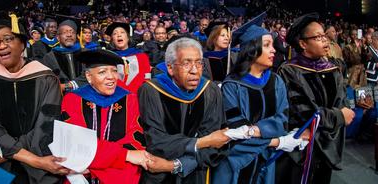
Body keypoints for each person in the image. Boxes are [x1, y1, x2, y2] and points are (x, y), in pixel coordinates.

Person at [0, 12, 67, 184]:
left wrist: (7, 152)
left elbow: (46, 125)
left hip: (37, 164)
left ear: (22, 44)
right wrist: (20, 154)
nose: (1, 46)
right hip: (3, 166)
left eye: (8, 39)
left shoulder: (46, 77)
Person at [212, 25, 309, 184]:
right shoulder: (232, 86)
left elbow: (282, 122)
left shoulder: (276, 82)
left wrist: (251, 131)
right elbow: (235, 134)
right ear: (251, 49)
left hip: (266, 165)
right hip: (235, 167)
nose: (274, 50)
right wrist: (278, 142)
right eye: (266, 45)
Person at [276, 13, 355, 184]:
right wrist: (338, 117)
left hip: (328, 144)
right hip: (301, 149)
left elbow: (344, 105)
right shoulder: (290, 70)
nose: (325, 40)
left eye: (324, 35)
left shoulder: (333, 68)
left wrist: (336, 119)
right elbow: (302, 114)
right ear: (303, 44)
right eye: (318, 37)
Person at [138, 37, 229, 184]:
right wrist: (201, 142)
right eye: (186, 63)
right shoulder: (151, 91)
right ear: (170, 67)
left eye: (199, 63)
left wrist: (176, 165)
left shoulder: (210, 90)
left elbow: (217, 143)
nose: (195, 71)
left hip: (197, 171)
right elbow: (155, 142)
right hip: (158, 175)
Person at [61, 50, 149, 183]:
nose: (111, 77)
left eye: (114, 71)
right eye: (102, 72)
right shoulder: (73, 100)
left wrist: (93, 165)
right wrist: (125, 155)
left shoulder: (130, 99)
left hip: (119, 174)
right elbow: (78, 144)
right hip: (84, 176)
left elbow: (135, 138)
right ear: (89, 76)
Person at [41, 19, 85, 92]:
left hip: (84, 97)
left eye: (72, 32)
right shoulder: (49, 57)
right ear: (58, 37)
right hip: (61, 98)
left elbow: (90, 75)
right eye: (65, 32)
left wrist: (68, 85)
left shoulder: (86, 53)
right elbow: (47, 81)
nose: (69, 35)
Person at [105, 22, 151, 93]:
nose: (119, 35)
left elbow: (146, 78)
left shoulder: (141, 56)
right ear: (112, 40)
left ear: (128, 37)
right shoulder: (108, 58)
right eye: (115, 34)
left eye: (122, 32)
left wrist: (133, 92)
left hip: (139, 94)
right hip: (117, 95)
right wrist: (125, 91)